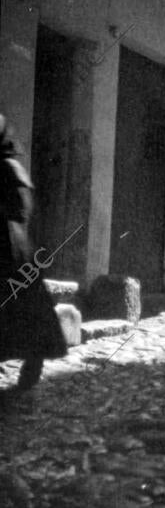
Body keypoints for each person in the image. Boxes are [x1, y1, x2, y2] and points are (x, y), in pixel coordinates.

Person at [0, 115, 67, 397]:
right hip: (12, 245)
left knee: (24, 306)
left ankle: (32, 365)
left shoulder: (10, 167)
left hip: (9, 244)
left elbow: (22, 208)